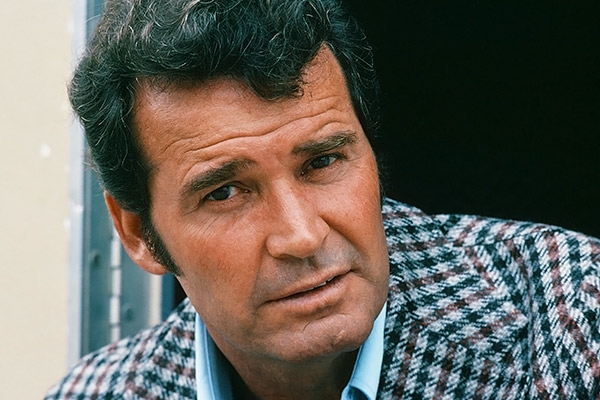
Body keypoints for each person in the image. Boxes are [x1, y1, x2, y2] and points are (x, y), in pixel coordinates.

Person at [47, 0, 600, 399]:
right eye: (226, 192)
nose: (302, 236)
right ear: (138, 234)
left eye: (323, 162)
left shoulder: (577, 317)